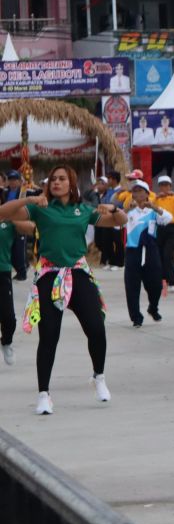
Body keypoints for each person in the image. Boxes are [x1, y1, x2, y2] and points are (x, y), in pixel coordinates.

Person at [0, 166, 125, 413]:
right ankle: (44, 394)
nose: (56, 183)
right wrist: (29, 199)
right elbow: (3, 212)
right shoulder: (41, 208)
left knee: (96, 327)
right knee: (49, 335)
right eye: (53, 180)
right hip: (49, 274)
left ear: (72, 183)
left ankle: (99, 377)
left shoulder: (83, 210)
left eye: (62, 179)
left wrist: (113, 209)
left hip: (78, 273)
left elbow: (120, 221)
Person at [122, 180, 170, 327]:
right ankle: (136, 317)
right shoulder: (129, 211)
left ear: (147, 193)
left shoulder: (153, 211)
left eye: (140, 190)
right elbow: (116, 225)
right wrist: (125, 211)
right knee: (132, 286)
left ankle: (153, 308)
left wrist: (155, 207)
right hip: (132, 251)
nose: (137, 194)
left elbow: (168, 219)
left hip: (150, 250)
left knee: (155, 285)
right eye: (134, 191)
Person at [0, 201, 33, 365]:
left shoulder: (8, 222)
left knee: (8, 318)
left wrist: (12, 217)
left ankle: (6, 342)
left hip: (2, 272)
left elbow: (31, 228)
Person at [151, 175, 174, 289]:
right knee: (160, 255)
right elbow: (147, 206)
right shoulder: (156, 198)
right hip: (160, 228)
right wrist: (156, 197)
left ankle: (172, 281)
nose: (164, 188)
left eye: (167, 185)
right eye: (162, 185)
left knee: (168, 255)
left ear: (170, 186)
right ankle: (163, 280)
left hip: (173, 228)